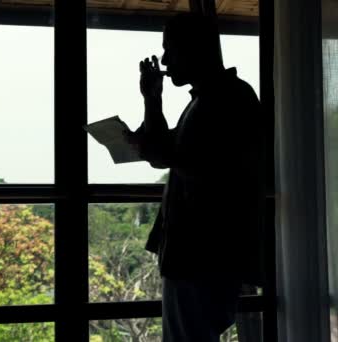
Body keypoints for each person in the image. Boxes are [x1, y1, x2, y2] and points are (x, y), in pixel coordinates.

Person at [125, 13, 265, 342]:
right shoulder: (224, 98)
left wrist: (152, 99)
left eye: (170, 49)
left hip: (199, 255)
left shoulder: (216, 103)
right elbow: (171, 149)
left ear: (194, 50)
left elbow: (164, 154)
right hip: (211, 255)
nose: (164, 60)